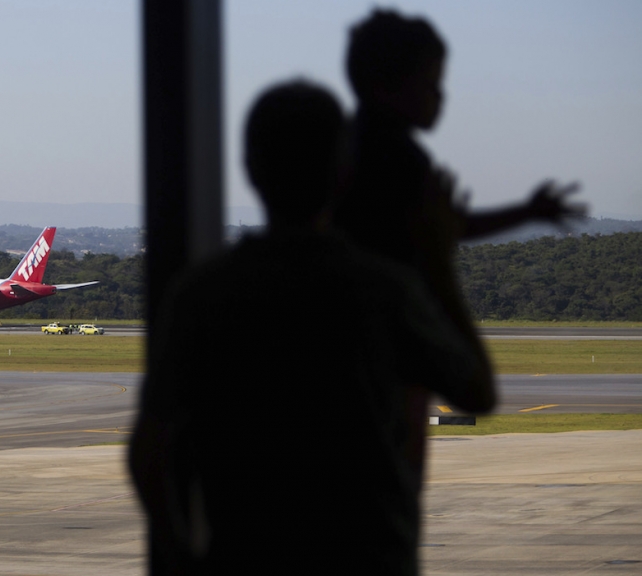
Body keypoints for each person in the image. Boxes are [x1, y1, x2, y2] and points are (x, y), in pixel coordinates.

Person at [129, 79, 494, 576]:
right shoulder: (382, 289)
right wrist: (438, 261)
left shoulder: (204, 293)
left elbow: (150, 449)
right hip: (368, 556)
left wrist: (178, 554)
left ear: (251, 169)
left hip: (246, 554)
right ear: (345, 173)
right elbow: (478, 391)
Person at [335, 8, 583, 487]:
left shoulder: (352, 147)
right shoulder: (398, 158)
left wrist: (524, 212)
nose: (441, 97)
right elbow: (441, 231)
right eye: (430, 83)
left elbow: (441, 226)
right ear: (388, 87)